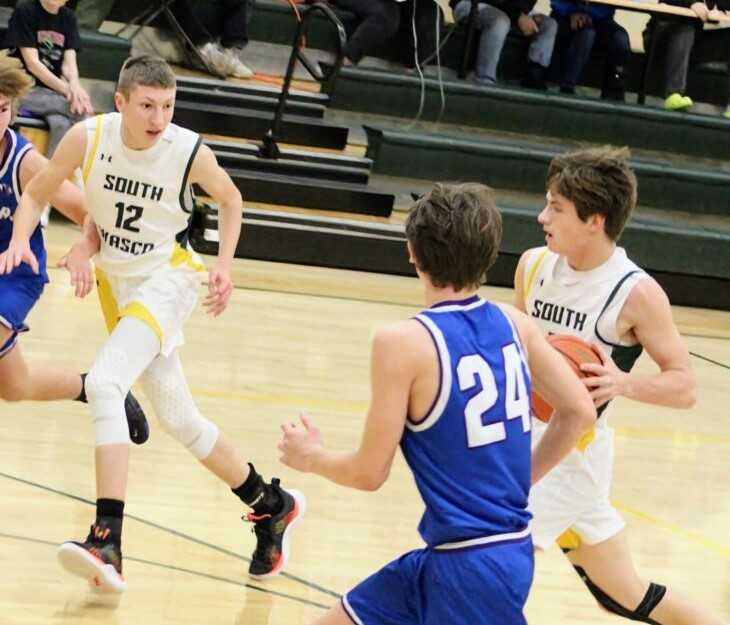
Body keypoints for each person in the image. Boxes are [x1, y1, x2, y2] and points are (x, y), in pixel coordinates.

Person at [3, 54, 305, 592]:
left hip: (169, 281)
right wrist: (32, 238)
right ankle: (270, 503)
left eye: (167, 105)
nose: (158, 117)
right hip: (118, 288)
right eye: (147, 105)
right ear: (121, 102)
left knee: (104, 382)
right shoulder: (87, 138)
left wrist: (225, 267)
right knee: (180, 419)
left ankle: (107, 540)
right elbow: (38, 193)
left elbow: (232, 200)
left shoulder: (186, 150)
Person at [279, 182, 596, 625]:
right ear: (489, 253)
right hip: (463, 556)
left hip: (472, 568)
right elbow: (580, 411)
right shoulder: (514, 323)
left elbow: (370, 473)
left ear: (412, 252)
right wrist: (516, 482)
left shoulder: (402, 343)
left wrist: (311, 457)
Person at [514, 146, 727, 625]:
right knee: (623, 593)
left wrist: (622, 383)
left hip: (574, 457)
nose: (542, 216)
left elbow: (685, 386)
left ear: (595, 220)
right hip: (523, 437)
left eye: (556, 208)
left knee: (486, 554)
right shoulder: (532, 266)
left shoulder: (635, 292)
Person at [0, 54, 148, 444]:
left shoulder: (25, 163)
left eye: (2, 109)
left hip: (16, 273)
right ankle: (93, 387)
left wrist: (84, 248)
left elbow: (88, 211)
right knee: (14, 387)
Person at [3, 0, 94, 156]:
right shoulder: (25, 10)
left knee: (61, 122)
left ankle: (50, 174)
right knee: (79, 111)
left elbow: (68, 64)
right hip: (22, 90)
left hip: (49, 94)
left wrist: (75, 87)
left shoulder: (68, 18)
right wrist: (68, 92)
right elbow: (33, 63)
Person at [643, 1, 730, 114]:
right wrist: (692, 3)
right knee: (686, 26)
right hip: (661, 37)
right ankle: (673, 94)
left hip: (692, 43)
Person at [453, 0, 557, 89]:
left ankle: (534, 78)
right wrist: (516, 16)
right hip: (471, 4)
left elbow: (525, 5)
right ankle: (484, 80)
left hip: (511, 10)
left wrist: (519, 14)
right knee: (500, 20)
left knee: (549, 25)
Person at [549, 0, 630, 100]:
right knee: (587, 33)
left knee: (620, 39)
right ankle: (567, 88)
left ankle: (614, 94)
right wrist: (572, 12)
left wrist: (591, 13)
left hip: (601, 18)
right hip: (565, 15)